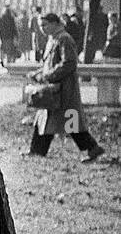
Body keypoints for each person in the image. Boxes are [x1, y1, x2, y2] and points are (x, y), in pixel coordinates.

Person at [26, 13, 106, 162]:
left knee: (71, 122)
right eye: (41, 26)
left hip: (65, 90)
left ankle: (92, 148)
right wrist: (37, 73)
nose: (42, 29)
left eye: (45, 25)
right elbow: (48, 64)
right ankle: (37, 150)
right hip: (54, 89)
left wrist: (48, 75)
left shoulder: (64, 39)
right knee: (44, 118)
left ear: (56, 23)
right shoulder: (53, 39)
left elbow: (69, 63)